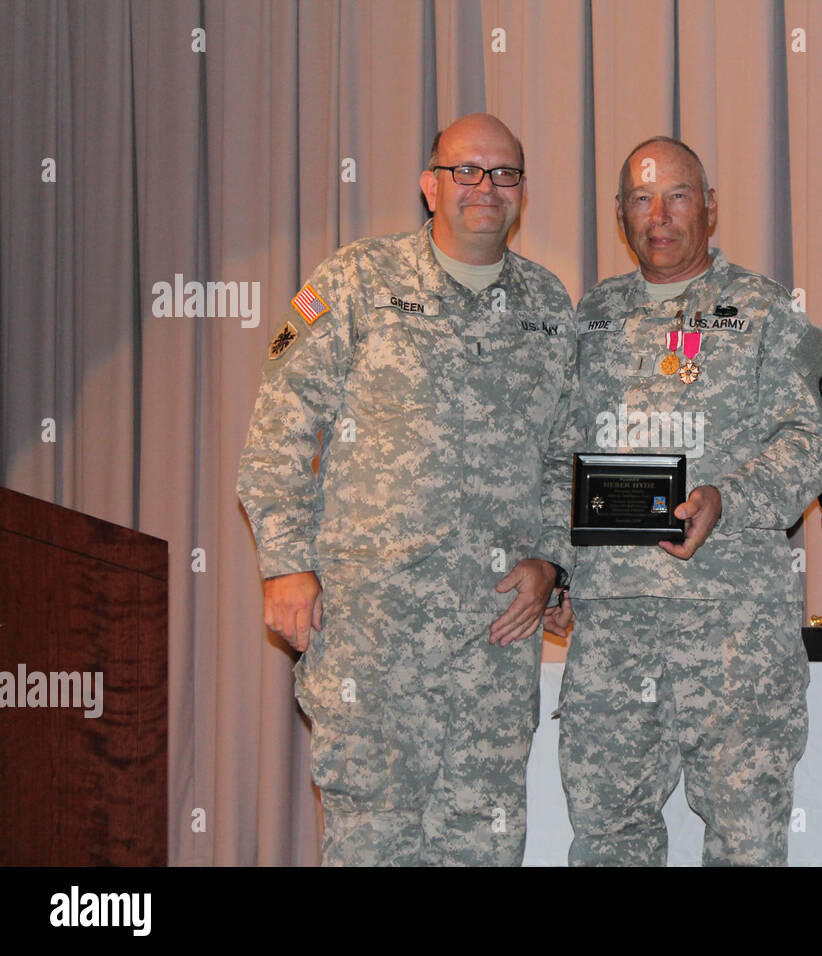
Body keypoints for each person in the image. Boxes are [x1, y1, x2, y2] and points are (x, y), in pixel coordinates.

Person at [237, 113, 575, 866]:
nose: (485, 187)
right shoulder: (356, 280)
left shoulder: (550, 308)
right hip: (375, 627)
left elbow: (564, 455)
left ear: (521, 192)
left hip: (494, 633)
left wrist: (552, 561)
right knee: (373, 839)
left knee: (482, 840)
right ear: (431, 185)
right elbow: (281, 424)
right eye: (466, 170)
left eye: (504, 173)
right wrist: (285, 562)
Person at [546, 136, 822, 865]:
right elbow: (559, 458)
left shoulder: (765, 311)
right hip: (614, 630)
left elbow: (813, 440)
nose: (660, 215)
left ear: (710, 207)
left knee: (744, 843)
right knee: (609, 839)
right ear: (619, 215)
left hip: (734, 629)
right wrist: (557, 561)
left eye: (678, 195)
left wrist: (731, 498)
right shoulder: (590, 319)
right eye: (641, 199)